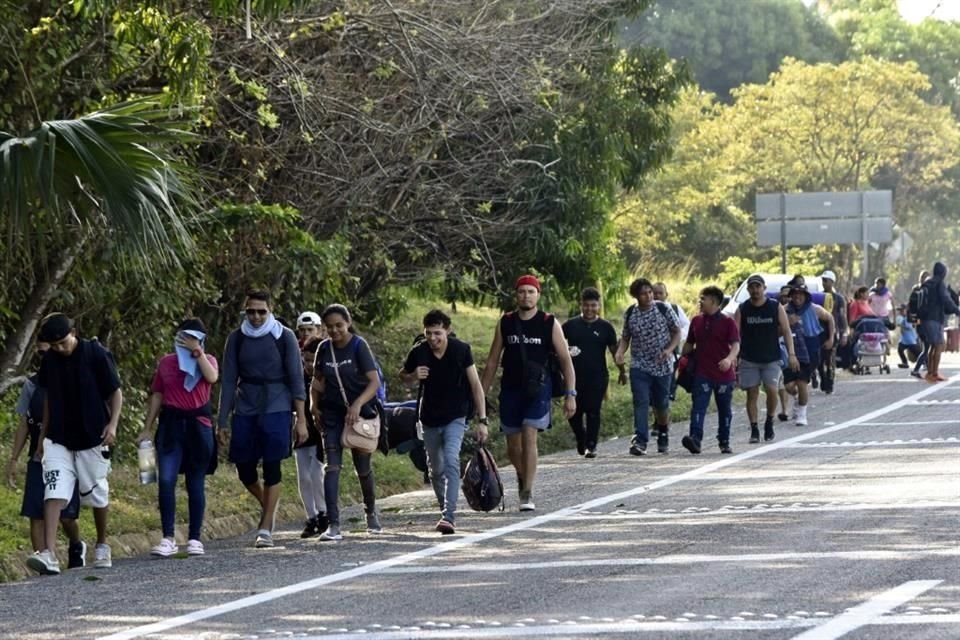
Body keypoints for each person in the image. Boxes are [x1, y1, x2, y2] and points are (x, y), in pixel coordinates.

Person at [27, 313, 122, 575]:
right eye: (54, 345)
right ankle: (49, 554)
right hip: (59, 437)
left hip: (92, 436)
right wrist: (43, 438)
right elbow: (48, 399)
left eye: (62, 342)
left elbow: (115, 391)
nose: (59, 348)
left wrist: (112, 424)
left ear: (73, 333)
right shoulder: (50, 362)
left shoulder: (95, 354)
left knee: (96, 493)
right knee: (54, 489)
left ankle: (102, 543)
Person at [218, 291, 307, 549]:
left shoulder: (284, 336)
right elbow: (227, 380)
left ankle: (265, 525)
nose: (256, 316)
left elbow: (296, 379)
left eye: (261, 311)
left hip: (277, 404)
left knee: (272, 464)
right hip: (246, 404)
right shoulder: (236, 339)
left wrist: (301, 418)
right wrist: (222, 420)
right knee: (244, 466)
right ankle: (268, 504)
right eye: (251, 311)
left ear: (271, 311)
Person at [481, 275, 577, 512]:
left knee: (529, 433)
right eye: (522, 291)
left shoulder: (548, 322)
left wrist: (570, 393)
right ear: (516, 295)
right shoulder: (506, 322)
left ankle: (527, 492)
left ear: (538, 295)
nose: (526, 295)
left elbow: (565, 360)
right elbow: (493, 361)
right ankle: (522, 474)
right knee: (513, 447)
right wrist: (480, 394)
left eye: (531, 292)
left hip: (538, 388)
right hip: (511, 388)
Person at [400, 309, 488, 534]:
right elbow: (403, 376)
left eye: (437, 333)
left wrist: (482, 420)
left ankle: (449, 515)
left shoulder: (461, 350)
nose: (433, 339)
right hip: (429, 417)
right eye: (428, 333)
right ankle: (444, 509)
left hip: (456, 416)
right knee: (435, 470)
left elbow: (476, 386)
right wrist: (412, 376)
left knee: (450, 460)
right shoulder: (419, 352)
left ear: (447, 331)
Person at [139, 318, 219, 557]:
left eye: (194, 337)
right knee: (165, 479)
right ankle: (168, 537)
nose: (187, 341)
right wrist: (147, 428)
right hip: (171, 425)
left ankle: (195, 537)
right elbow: (157, 395)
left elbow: (212, 377)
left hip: (199, 426)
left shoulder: (209, 360)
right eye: (184, 337)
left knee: (195, 481)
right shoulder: (166, 363)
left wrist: (197, 352)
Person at [6, 341, 84, 568]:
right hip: (39, 456)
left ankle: (76, 544)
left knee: (66, 515)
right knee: (36, 512)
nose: (44, 356)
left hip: (67, 452)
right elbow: (24, 423)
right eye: (40, 352)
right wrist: (13, 459)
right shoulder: (32, 384)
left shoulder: (73, 378)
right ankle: (45, 559)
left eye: (48, 351)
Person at [311, 304, 383, 540]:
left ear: (348, 322)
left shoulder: (359, 346)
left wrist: (357, 404)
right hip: (331, 415)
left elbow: (374, 382)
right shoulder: (323, 348)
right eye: (329, 327)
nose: (335, 331)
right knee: (331, 467)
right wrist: (314, 405)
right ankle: (333, 525)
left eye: (339, 325)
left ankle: (370, 513)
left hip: (359, 416)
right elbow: (318, 382)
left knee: (362, 468)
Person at [614, 278, 682, 456]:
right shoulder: (631, 313)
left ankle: (663, 431)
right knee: (641, 401)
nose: (649, 296)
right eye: (644, 293)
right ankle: (640, 440)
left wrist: (669, 350)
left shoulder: (663, 309)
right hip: (639, 365)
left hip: (662, 365)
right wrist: (620, 352)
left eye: (650, 292)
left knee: (661, 403)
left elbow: (677, 331)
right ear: (636, 296)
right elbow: (626, 337)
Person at [734, 275, 798, 444]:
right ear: (748, 290)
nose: (755, 290)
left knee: (771, 390)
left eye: (758, 287)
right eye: (752, 287)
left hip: (771, 357)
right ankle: (754, 428)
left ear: (764, 288)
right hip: (749, 358)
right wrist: (733, 357)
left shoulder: (775, 307)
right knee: (752, 394)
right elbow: (735, 336)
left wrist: (791, 354)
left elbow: (786, 330)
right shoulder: (743, 309)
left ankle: (769, 420)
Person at [562, 287, 622, 458]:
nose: (589, 309)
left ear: (599, 306)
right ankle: (581, 437)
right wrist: (567, 349)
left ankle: (591, 445)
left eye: (593, 305)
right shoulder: (570, 325)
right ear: (581, 305)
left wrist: (622, 371)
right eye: (586, 305)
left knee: (593, 411)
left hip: (598, 377)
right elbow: (556, 344)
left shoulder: (606, 327)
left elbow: (614, 351)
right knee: (573, 412)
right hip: (573, 377)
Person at [680, 286, 740, 455]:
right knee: (698, 407)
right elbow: (690, 343)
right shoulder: (696, 321)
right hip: (702, 373)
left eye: (703, 299)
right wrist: (680, 357)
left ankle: (724, 441)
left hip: (724, 375)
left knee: (724, 409)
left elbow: (735, 345)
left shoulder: (728, 322)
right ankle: (695, 439)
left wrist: (729, 359)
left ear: (713, 301)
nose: (700, 302)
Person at [786, 285, 835, 426]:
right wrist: (788, 322)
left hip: (810, 349)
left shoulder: (815, 309)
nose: (797, 297)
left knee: (802, 381)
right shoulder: (784, 310)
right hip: (791, 349)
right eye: (794, 294)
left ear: (806, 296)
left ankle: (802, 413)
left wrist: (831, 338)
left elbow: (830, 318)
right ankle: (797, 397)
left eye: (800, 294)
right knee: (789, 385)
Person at [295, 334, 327, 538]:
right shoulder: (298, 377)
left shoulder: (326, 377)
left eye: (312, 360)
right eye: (305, 360)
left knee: (317, 472)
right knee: (303, 476)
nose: (309, 364)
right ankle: (311, 516)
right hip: (301, 427)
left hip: (320, 429)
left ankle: (324, 513)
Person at [918, 261, 960, 382]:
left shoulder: (927, 283)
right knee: (940, 345)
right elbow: (946, 299)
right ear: (942, 272)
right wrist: (957, 310)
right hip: (934, 318)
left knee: (933, 346)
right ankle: (933, 373)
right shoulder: (939, 283)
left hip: (925, 319)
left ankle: (931, 372)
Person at [652, 282, 689, 401]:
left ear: (666, 294)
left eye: (660, 293)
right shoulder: (646, 309)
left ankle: (664, 413)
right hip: (651, 357)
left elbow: (687, 326)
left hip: (672, 356)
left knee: (668, 389)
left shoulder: (675, 308)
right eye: (654, 293)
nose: (657, 296)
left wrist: (676, 337)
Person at [818, 270, 847, 394]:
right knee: (819, 358)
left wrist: (844, 332)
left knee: (830, 358)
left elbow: (842, 316)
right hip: (819, 331)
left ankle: (830, 382)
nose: (824, 283)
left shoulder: (839, 298)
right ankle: (822, 377)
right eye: (823, 280)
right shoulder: (819, 296)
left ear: (832, 282)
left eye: (826, 280)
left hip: (833, 331)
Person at [908, 271, 931, 379]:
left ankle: (926, 367)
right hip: (921, 323)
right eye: (924, 278)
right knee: (926, 347)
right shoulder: (917, 290)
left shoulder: (928, 290)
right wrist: (915, 322)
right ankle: (918, 369)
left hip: (925, 322)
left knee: (927, 346)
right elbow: (911, 309)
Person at [895, 304, 921, 369]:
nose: (901, 312)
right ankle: (905, 363)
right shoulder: (900, 317)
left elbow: (911, 326)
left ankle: (925, 363)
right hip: (904, 339)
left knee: (918, 353)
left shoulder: (910, 317)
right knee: (900, 350)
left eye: (902, 310)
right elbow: (900, 324)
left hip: (911, 339)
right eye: (900, 311)